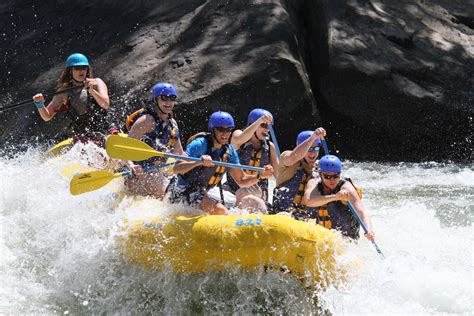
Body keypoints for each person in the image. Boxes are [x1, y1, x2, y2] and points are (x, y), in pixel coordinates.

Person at [171, 111, 273, 215]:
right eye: (221, 129)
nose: (225, 134)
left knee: (224, 209)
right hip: (181, 189)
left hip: (201, 191)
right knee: (220, 210)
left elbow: (242, 180)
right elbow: (177, 168)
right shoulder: (200, 144)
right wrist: (197, 163)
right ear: (212, 129)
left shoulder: (229, 151)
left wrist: (260, 175)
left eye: (228, 130)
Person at [32, 53, 115, 143]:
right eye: (78, 68)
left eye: (84, 68)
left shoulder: (97, 83)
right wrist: (40, 104)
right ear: (70, 71)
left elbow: (105, 104)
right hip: (84, 136)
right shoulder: (64, 92)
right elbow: (47, 117)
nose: (81, 71)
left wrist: (92, 91)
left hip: (106, 130)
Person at [124, 82, 184, 199]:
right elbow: (125, 148)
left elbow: (179, 154)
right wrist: (131, 166)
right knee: (166, 197)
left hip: (156, 172)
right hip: (139, 172)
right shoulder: (146, 121)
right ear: (156, 100)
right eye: (164, 98)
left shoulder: (172, 124)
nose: (168, 102)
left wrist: (198, 162)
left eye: (172, 98)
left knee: (176, 191)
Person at [303, 155, 375, 241]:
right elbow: (308, 201)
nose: (332, 180)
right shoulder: (313, 183)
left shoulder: (346, 188)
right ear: (320, 174)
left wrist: (369, 230)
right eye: (328, 177)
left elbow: (362, 211)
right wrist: (335, 197)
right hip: (321, 236)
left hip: (346, 238)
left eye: (336, 176)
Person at [225, 108, 279, 212]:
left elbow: (279, 176)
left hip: (257, 191)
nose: (267, 129)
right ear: (252, 124)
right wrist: (260, 120)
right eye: (263, 125)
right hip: (233, 188)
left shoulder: (270, 147)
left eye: (269, 126)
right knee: (242, 193)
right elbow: (241, 138)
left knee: (247, 196)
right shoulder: (238, 136)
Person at [271, 128, 326, 220]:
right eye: (309, 148)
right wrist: (313, 138)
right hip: (281, 215)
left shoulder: (321, 169)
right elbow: (293, 157)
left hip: (306, 220)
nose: (313, 152)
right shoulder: (287, 158)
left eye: (316, 148)